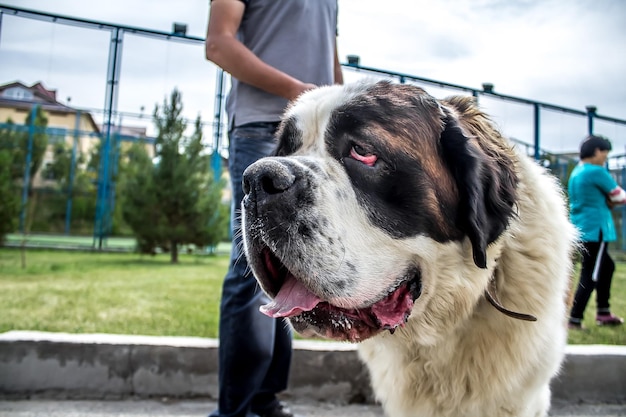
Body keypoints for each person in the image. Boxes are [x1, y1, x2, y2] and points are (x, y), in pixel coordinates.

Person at [204, 1, 343, 416]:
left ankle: (264, 401)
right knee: (252, 267)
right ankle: (235, 410)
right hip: (264, 126)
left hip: (318, 130)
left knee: (289, 267)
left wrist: (342, 107)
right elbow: (218, 44)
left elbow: (330, 56)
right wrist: (300, 93)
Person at [568, 134, 625, 330]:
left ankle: (604, 312)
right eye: (605, 153)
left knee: (607, 267)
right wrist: (611, 200)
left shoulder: (577, 172)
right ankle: (574, 318)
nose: (605, 158)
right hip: (596, 229)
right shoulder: (596, 171)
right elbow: (619, 197)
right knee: (591, 273)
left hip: (582, 227)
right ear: (597, 151)